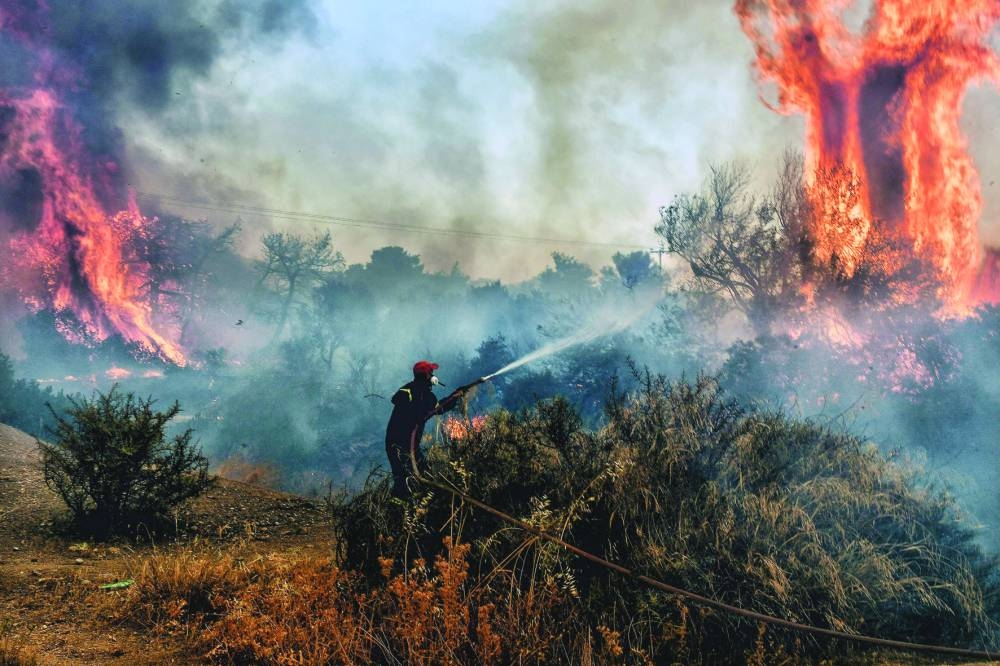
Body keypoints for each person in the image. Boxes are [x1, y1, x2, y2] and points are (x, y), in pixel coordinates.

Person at [385, 360, 464, 498]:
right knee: (406, 478)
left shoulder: (419, 393)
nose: (433, 375)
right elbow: (400, 400)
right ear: (426, 376)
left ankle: (413, 503)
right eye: (431, 372)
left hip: (403, 443)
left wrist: (454, 396)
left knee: (416, 474)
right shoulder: (415, 392)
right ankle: (403, 507)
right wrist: (454, 396)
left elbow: (438, 408)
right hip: (400, 444)